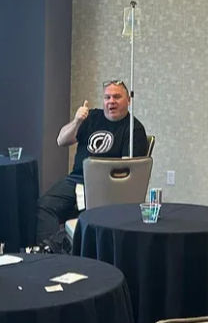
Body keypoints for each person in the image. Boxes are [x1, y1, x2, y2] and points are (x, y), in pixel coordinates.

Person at [36, 79, 149, 250]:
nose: (111, 101)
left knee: (87, 217)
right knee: (44, 206)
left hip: (107, 186)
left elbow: (127, 172)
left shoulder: (134, 129)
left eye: (117, 97)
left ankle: (68, 251)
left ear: (128, 100)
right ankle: (51, 251)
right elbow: (61, 140)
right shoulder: (91, 117)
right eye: (107, 97)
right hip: (77, 179)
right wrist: (76, 121)